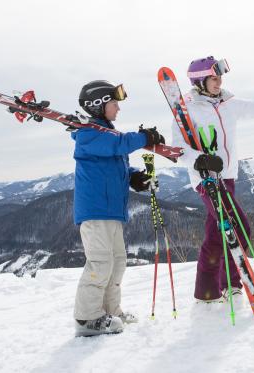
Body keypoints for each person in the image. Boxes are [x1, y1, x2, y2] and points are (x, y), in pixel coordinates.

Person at [171, 56, 254, 302]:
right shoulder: (186, 107)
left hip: (228, 176)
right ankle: (233, 282)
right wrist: (199, 159)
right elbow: (178, 148)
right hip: (205, 178)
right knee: (237, 226)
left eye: (220, 77)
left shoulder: (228, 102)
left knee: (215, 235)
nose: (219, 81)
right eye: (214, 78)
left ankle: (208, 291)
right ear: (200, 80)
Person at [72, 80, 165, 336]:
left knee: (117, 263)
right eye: (114, 103)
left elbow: (117, 162)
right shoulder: (88, 134)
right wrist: (144, 137)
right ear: (98, 106)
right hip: (95, 210)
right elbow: (118, 145)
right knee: (100, 263)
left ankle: (110, 311)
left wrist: (136, 178)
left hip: (112, 211)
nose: (118, 109)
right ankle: (86, 318)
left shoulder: (105, 134)